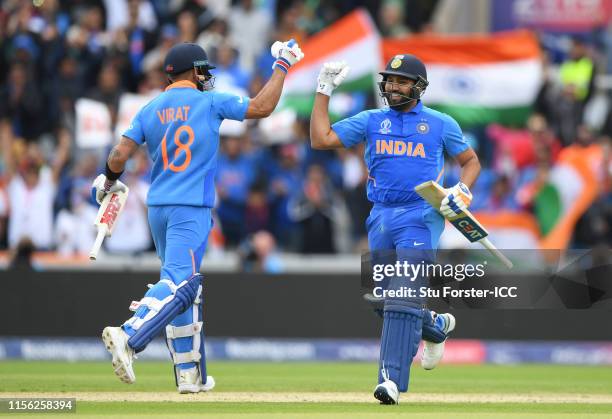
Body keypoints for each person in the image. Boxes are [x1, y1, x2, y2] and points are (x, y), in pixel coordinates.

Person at [93, 40, 304, 393]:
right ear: (193, 71)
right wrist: (282, 64)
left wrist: (109, 180)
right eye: (203, 70)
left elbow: (118, 155)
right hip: (191, 208)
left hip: (158, 208)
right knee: (179, 283)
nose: (207, 76)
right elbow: (263, 107)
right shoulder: (209, 102)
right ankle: (128, 335)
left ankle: (190, 376)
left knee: (186, 287)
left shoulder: (150, 107)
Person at [310, 55, 481, 404]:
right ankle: (434, 326)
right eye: (389, 80)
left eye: (401, 81)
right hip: (381, 214)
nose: (393, 87)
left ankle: (390, 381)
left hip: (422, 213)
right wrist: (323, 90)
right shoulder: (372, 121)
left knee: (402, 294)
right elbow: (320, 139)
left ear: (418, 86)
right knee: (381, 298)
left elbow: (471, 162)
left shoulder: (440, 123)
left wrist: (461, 191)